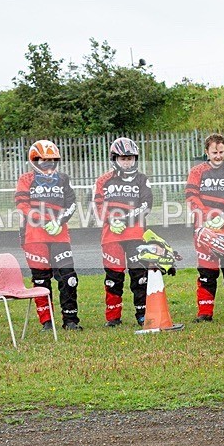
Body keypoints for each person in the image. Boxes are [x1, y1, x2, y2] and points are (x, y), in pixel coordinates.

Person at [15, 140, 83, 332]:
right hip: (34, 237)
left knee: (69, 277)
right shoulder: (26, 179)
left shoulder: (63, 179)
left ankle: (71, 320)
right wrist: (45, 221)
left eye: (52, 160)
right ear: (34, 160)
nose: (49, 164)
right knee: (41, 280)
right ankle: (47, 321)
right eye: (44, 160)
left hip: (60, 236)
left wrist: (59, 221)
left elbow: (72, 204)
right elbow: (22, 205)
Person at [185, 133, 224, 322]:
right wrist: (207, 216)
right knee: (206, 272)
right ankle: (205, 312)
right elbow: (190, 196)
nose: (218, 156)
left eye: (221, 152)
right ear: (207, 152)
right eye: (214, 152)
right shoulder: (197, 171)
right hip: (205, 228)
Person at [94, 137, 153, 327]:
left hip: (136, 234)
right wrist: (110, 220)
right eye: (123, 158)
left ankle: (142, 314)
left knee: (140, 276)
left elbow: (147, 205)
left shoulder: (142, 179)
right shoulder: (103, 180)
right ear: (114, 159)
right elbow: (98, 205)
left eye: (130, 158)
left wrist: (124, 219)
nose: (127, 162)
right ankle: (113, 317)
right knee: (113, 277)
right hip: (111, 237)